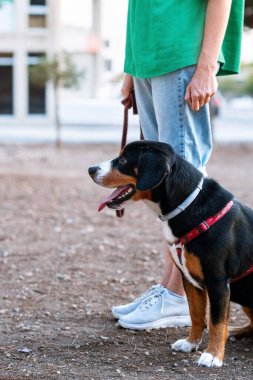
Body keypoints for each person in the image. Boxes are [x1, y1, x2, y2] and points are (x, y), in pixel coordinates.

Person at [112, 0, 244, 330]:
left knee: (184, 183)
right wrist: (132, 69)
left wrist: (207, 68)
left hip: (180, 53)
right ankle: (169, 289)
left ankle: (178, 296)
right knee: (164, 189)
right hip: (148, 57)